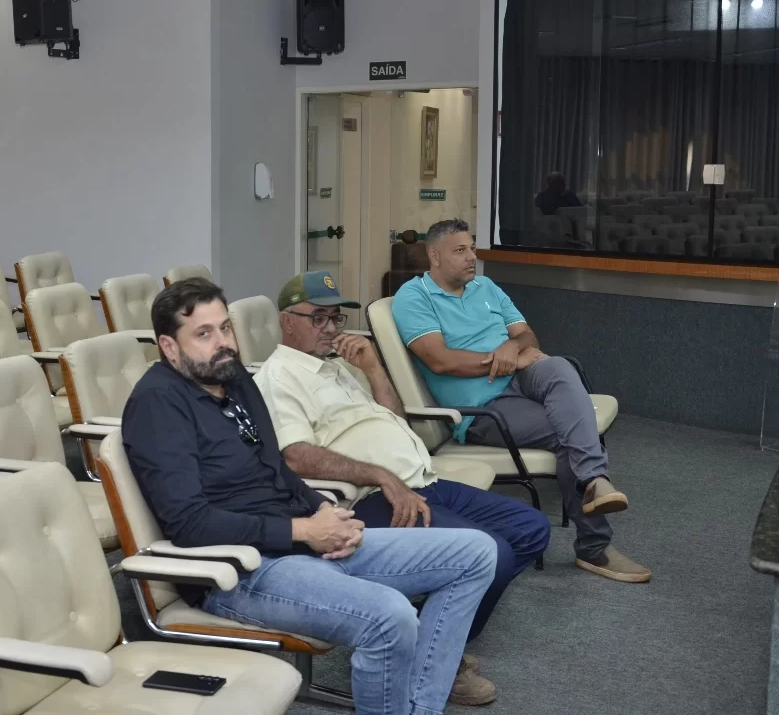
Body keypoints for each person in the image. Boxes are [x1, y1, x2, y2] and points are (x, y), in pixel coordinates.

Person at [123, 278, 498, 715]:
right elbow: (190, 524)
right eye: (203, 334)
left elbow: (276, 468)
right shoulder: (157, 405)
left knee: (476, 553)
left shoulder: (232, 377)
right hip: (239, 571)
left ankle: (418, 707)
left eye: (225, 328)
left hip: (299, 540)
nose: (223, 342)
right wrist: (303, 530)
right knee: (390, 616)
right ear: (169, 347)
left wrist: (325, 510)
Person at [254, 270, 549, 697]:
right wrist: (380, 475)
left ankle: (432, 638)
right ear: (287, 321)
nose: (330, 328)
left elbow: (394, 419)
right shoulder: (279, 377)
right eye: (318, 318)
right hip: (373, 498)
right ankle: (433, 660)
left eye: (335, 318)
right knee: (495, 553)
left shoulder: (336, 367)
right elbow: (295, 455)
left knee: (531, 529)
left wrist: (373, 369)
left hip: (422, 479)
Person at [392, 219, 650, 584]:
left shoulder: (485, 286)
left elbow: (527, 335)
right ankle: (594, 547)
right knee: (570, 433)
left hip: (521, 378)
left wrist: (513, 347)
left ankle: (594, 479)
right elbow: (441, 361)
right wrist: (509, 358)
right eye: (460, 250)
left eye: (472, 248)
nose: (472, 257)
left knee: (558, 366)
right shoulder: (413, 297)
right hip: (484, 407)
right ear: (434, 256)